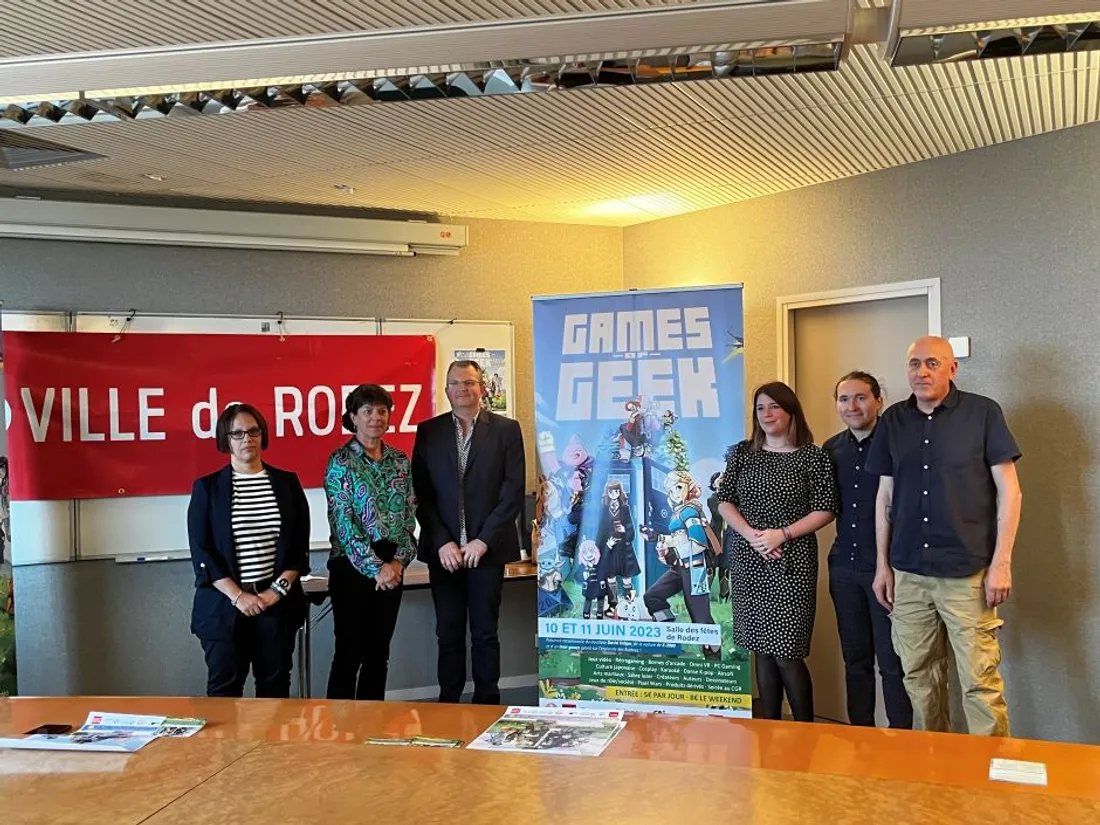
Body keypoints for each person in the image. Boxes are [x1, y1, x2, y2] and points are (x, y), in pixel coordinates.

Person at [868, 337, 1022, 737]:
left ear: (952, 369)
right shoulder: (893, 421)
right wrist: (883, 566)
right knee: (919, 676)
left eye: (932, 363)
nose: (922, 372)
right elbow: (885, 496)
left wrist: (1001, 563)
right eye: (914, 363)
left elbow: (1011, 492)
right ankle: (933, 766)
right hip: (908, 574)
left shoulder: (983, 413)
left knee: (980, 680)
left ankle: (989, 776)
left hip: (967, 572)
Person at [717, 382, 837, 722]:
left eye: (774, 407)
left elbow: (826, 509)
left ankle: (804, 731)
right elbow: (724, 501)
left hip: (792, 562)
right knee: (761, 651)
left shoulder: (813, 456)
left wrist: (780, 535)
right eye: (760, 408)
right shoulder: (743, 453)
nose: (767, 414)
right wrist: (754, 536)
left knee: (787, 652)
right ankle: (769, 730)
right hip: (748, 558)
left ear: (790, 411)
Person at [412, 360, 526, 704]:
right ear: (446, 390)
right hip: (443, 551)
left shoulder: (506, 430)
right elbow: (423, 491)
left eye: (470, 383)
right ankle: (449, 704)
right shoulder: (428, 431)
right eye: (455, 383)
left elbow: (512, 490)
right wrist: (442, 539)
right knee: (447, 633)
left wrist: (483, 540)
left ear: (482, 388)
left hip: (486, 551)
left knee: (485, 633)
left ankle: (487, 704)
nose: (462, 389)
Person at [186, 403, 309, 698]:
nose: (247, 439)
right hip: (224, 608)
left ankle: (272, 748)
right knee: (224, 691)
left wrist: (273, 593)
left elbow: (297, 549)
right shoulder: (207, 488)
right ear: (225, 439)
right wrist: (239, 597)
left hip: (276, 607)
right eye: (237, 433)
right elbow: (202, 553)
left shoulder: (287, 483)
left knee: (275, 689)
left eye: (253, 431)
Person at [823, 372, 913, 729]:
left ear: (879, 400)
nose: (852, 406)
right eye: (844, 399)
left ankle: (901, 740)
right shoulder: (830, 450)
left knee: (893, 662)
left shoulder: (898, 446)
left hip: (890, 569)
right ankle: (860, 737)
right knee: (855, 658)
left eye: (860, 397)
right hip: (844, 567)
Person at [325, 384, 416, 701]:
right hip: (352, 566)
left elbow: (408, 515)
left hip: (392, 566)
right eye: (367, 411)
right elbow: (343, 522)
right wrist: (376, 568)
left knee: (379, 653)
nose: (376, 417)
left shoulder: (400, 461)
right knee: (349, 654)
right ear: (353, 417)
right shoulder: (340, 462)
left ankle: (372, 728)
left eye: (382, 410)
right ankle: (340, 735)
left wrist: (397, 563)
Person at [642, 470, 722, 660]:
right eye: (671, 490)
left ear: (689, 487)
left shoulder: (690, 510)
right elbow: (679, 538)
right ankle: (669, 639)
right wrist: (658, 538)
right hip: (681, 567)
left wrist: (673, 552)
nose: (675, 493)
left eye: (679, 487)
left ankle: (713, 660)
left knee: (700, 617)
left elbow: (698, 542)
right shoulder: (680, 511)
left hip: (696, 568)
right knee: (653, 596)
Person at [595, 479, 639, 618]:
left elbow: (631, 529)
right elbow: (601, 530)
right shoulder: (604, 508)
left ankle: (629, 606)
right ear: (607, 493)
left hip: (624, 548)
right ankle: (613, 606)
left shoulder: (625, 508)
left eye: (616, 491)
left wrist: (624, 529)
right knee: (610, 578)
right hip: (610, 547)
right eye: (611, 491)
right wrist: (601, 547)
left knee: (627, 578)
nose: (614, 494)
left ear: (620, 492)